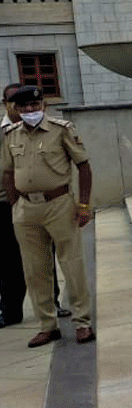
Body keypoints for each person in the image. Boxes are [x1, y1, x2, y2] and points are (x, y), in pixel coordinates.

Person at [1, 86, 95, 348]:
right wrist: (14, 203)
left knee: (71, 264)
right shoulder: (10, 135)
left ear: (43, 105)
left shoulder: (61, 129)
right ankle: (47, 326)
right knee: (35, 270)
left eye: (35, 106)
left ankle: (82, 322)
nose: (31, 111)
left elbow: (83, 166)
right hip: (26, 209)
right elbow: (7, 172)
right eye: (25, 108)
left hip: (59, 204)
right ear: (17, 110)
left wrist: (84, 204)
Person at [0, 83, 27, 328]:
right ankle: (10, 310)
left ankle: (54, 303)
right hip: (4, 204)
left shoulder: (39, 129)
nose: (20, 107)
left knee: (43, 256)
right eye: (14, 102)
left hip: (33, 201)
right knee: (8, 260)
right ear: (6, 104)